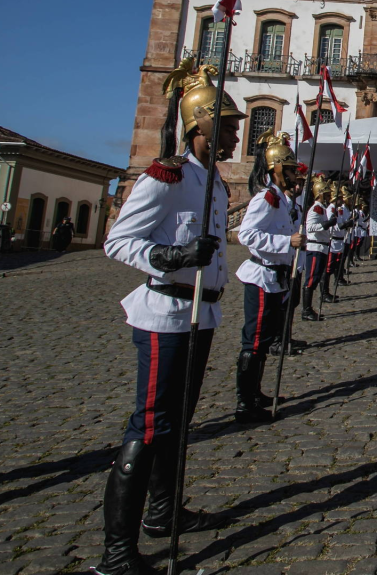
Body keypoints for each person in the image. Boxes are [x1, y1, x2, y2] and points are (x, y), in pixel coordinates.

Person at [94, 58, 243, 575]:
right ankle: (116, 552)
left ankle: (162, 513)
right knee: (151, 424)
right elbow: (119, 241)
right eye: (226, 126)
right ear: (199, 124)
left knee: (178, 422)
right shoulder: (168, 176)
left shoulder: (215, 183)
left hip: (202, 315)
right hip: (165, 314)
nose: (233, 135)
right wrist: (174, 258)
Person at [234, 130, 305, 424]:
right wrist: (285, 244)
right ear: (276, 169)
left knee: (264, 340)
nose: (293, 174)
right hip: (262, 275)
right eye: (289, 169)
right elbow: (246, 234)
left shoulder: (284, 200)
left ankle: (257, 392)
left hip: (277, 276)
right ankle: (244, 402)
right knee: (254, 340)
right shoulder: (266, 198)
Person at [303, 176, 334, 319]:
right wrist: (326, 225)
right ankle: (306, 309)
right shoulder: (316, 208)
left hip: (322, 247)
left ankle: (309, 308)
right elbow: (310, 228)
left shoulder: (322, 208)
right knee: (311, 279)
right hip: (315, 248)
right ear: (320, 194)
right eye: (327, 194)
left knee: (316, 277)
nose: (329, 197)